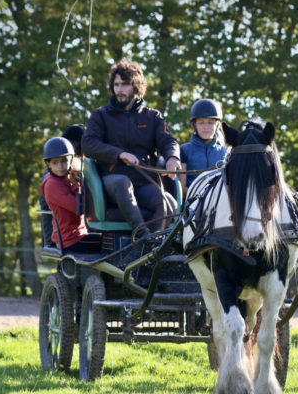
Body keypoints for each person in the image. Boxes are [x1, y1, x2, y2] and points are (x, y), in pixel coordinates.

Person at [83, 59, 181, 236]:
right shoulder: (100, 115)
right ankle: (142, 236)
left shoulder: (152, 116)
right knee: (123, 182)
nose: (119, 90)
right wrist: (119, 154)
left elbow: (168, 141)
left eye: (125, 84)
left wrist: (173, 157)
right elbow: (89, 144)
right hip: (112, 180)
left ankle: (151, 246)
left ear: (136, 86)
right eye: (116, 85)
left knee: (168, 203)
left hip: (143, 182)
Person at [40, 136, 101, 253]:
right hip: (71, 240)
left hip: (79, 235)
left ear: (71, 160)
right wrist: (76, 185)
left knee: (111, 239)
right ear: (48, 164)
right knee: (110, 244)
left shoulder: (67, 177)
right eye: (55, 162)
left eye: (64, 161)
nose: (60, 166)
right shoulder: (52, 185)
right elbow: (79, 208)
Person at [39, 124, 84, 247]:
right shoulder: (54, 178)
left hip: (68, 232)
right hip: (63, 236)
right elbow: (76, 206)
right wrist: (49, 242)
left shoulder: (64, 170)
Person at [180, 99, 227, 195]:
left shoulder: (226, 152)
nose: (206, 127)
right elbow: (182, 188)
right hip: (192, 204)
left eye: (210, 122)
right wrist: (204, 197)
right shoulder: (183, 150)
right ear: (194, 125)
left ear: (217, 125)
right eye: (201, 122)